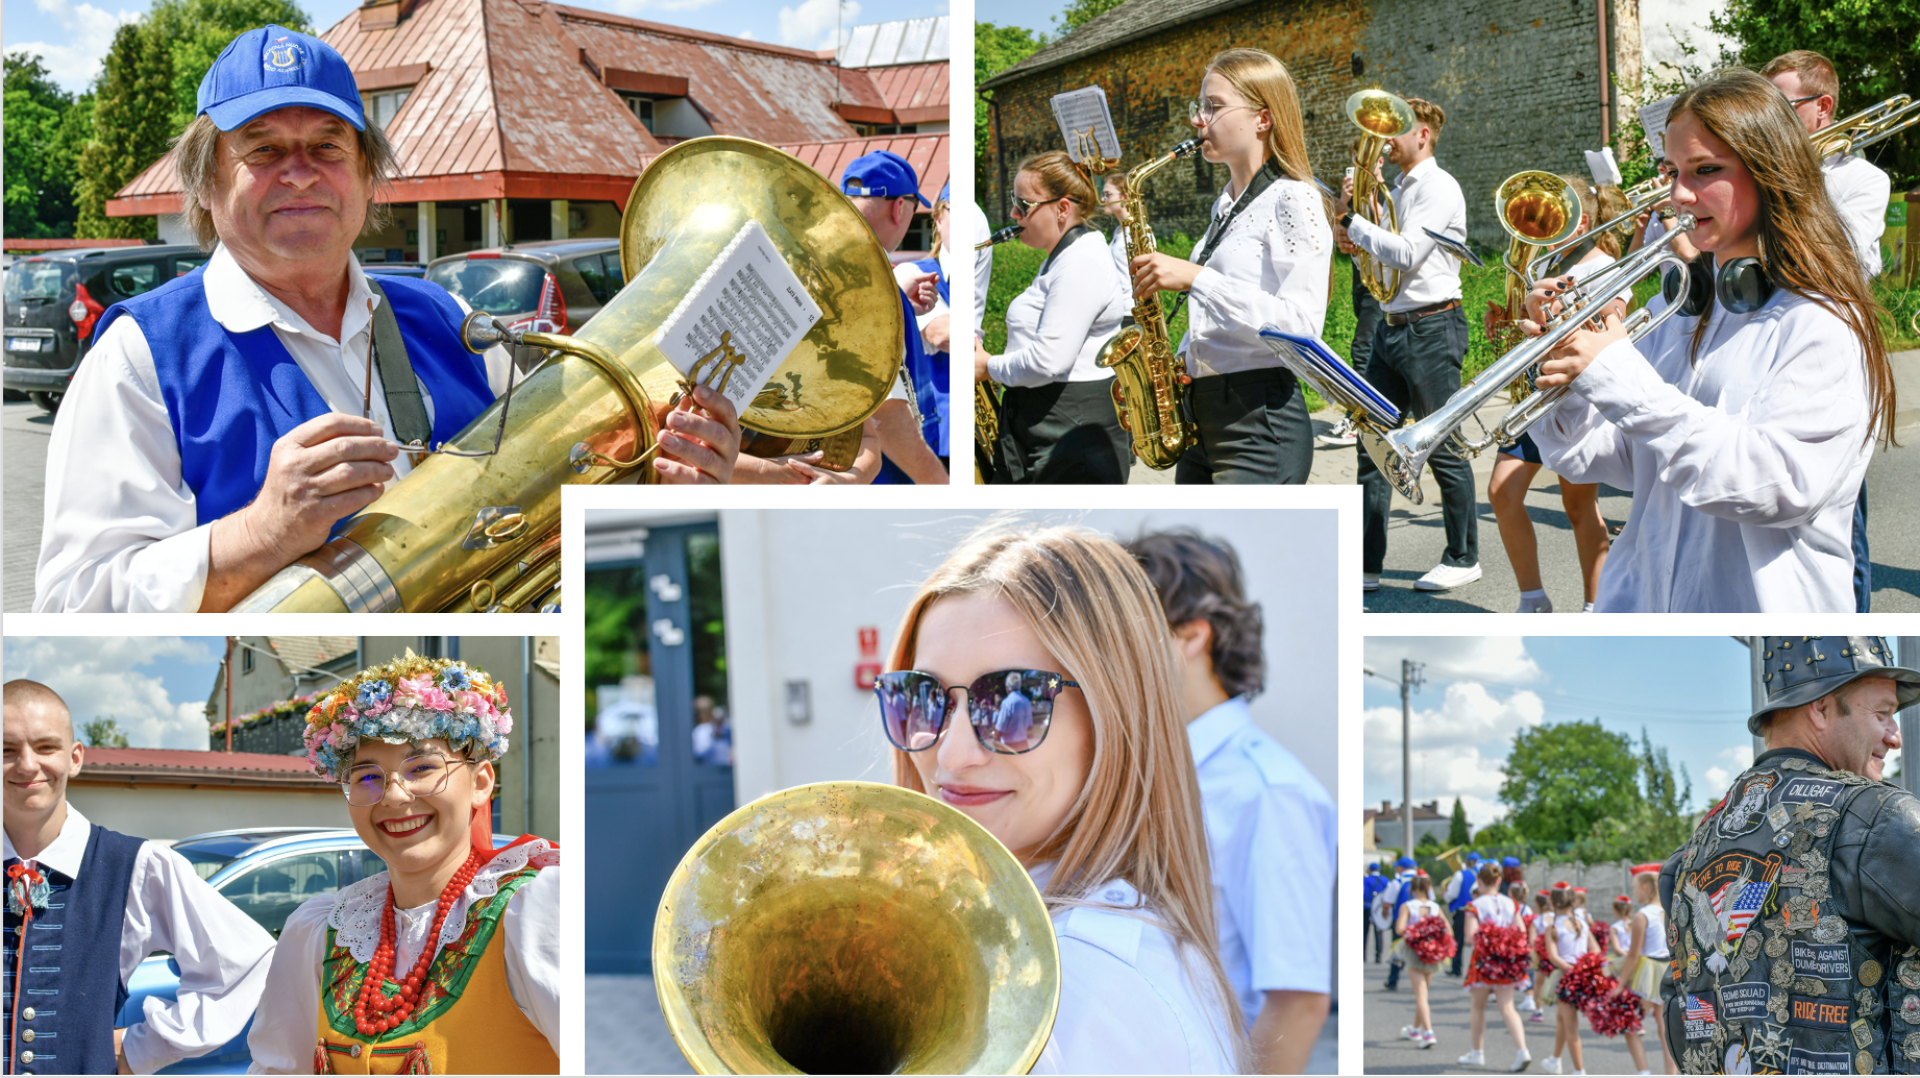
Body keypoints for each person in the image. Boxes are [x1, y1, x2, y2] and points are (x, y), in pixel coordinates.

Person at [34, 26, 736, 613]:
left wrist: (660, 482)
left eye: (328, 146)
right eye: (264, 148)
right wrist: (263, 533)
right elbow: (73, 604)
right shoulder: (139, 355)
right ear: (205, 180)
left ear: (368, 178)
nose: (300, 172)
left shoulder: (444, 314)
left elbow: (561, 503)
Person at [875, 523, 1243, 1072]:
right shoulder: (1059, 952)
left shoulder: (1076, 983)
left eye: (1014, 702)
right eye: (921, 697)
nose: (952, 754)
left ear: (1115, 715)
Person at [1525, 70, 1894, 612]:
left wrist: (1623, 381)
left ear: (1771, 173)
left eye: (1705, 170)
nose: (1678, 194)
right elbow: (1613, 460)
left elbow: (1776, 487)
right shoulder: (1677, 307)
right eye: (1673, 171)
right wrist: (1565, 372)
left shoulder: (1823, 319)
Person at [246, 653, 559, 1073]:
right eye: (367, 777)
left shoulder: (530, 915)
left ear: (481, 783)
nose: (393, 796)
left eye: (422, 767)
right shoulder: (320, 933)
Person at [1658, 635, 1920, 1075]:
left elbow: (1679, 1012)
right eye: (1882, 714)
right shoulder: (1876, 817)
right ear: (1820, 709)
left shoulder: (1688, 854)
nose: (1894, 737)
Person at [1125, 527, 1335, 1072]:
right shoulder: (1144, 768)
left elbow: (1297, 1003)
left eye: (1122, 632)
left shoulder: (1269, 793)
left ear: (1191, 637)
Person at [3, 680, 275, 1074]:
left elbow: (246, 960)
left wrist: (141, 1049)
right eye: (7, 750)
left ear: (75, 758)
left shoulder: (134, 865)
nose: (27, 765)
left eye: (46, 747)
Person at [1126, 49, 1333, 484]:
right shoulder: (1225, 205)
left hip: (1259, 421)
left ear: (1263, 118)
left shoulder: (1293, 198)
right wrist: (1173, 367)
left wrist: (1198, 278)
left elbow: (1302, 328)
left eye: (1213, 106)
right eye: (1199, 106)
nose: (1197, 120)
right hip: (1203, 414)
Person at [1762, 49, 1889, 614]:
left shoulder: (1863, 179)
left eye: (1781, 106)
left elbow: (1848, 264)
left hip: (1827, 363)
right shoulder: (1759, 174)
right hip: (1762, 351)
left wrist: (1793, 182)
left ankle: (1852, 633)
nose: (1769, 120)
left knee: (1839, 525)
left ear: (1823, 107)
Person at [1335, 94, 1479, 593]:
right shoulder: (1396, 189)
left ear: (1423, 135)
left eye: (1396, 129)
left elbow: (1406, 254)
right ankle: (1365, 565)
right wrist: (1355, 235)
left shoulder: (1440, 186)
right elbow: (1377, 266)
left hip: (1433, 327)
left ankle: (1463, 557)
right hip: (1392, 326)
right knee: (1373, 445)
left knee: (1441, 446)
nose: (1385, 140)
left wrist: (1351, 220)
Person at [1488, 177, 1625, 614]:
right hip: (1537, 398)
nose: (1539, 230)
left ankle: (1595, 608)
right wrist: (1510, 322)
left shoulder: (1604, 266)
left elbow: (1613, 327)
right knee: (1501, 492)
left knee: (1579, 507)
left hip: (1577, 405)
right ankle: (1533, 600)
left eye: (1550, 220)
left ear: (1579, 223)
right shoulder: (1547, 264)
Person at [974, 153, 1133, 484]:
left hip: (1068, 433)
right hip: (1048, 421)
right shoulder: (1063, 257)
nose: (1013, 214)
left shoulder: (1080, 262)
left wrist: (987, 366)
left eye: (1023, 205)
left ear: (1062, 209)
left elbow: (1049, 361)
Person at [843, 149, 947, 485]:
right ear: (900, 207)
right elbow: (887, 418)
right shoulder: (867, 285)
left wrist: (900, 302)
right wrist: (942, 486)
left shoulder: (843, 269)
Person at [1459, 863, 1531, 1072]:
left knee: (1478, 1007)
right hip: (1506, 962)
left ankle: (1477, 1053)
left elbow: (1470, 937)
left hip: (1483, 962)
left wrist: (1490, 938)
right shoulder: (1510, 903)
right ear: (1499, 881)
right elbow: (1521, 932)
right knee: (1507, 1007)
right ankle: (1522, 1051)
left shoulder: (1474, 905)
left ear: (1479, 882)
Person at [1609, 869, 1674, 1075]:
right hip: (1668, 972)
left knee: (1629, 1024)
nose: (1634, 892)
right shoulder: (1669, 910)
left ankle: (1644, 1072)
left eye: (1635, 887)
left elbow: (1633, 956)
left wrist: (1620, 985)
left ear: (1645, 888)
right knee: (1666, 1030)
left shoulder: (1642, 915)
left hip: (1648, 975)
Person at [1542, 886, 1596, 1075]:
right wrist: (1583, 969)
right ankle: (1555, 1060)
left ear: (1552, 904)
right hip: (1582, 975)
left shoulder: (1553, 927)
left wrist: (1572, 971)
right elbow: (1596, 950)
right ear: (1573, 902)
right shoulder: (1582, 923)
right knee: (1561, 1020)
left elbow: (1553, 957)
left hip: (1566, 977)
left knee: (1571, 1027)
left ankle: (1579, 1071)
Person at [1394, 873, 1450, 1049]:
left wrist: (1417, 932)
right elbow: (1448, 930)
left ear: (1412, 888)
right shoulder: (1435, 906)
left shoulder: (1407, 906)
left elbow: (1399, 929)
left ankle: (1429, 1033)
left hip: (1414, 951)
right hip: (1432, 952)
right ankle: (1415, 1030)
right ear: (1429, 888)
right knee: (1424, 993)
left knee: (1421, 995)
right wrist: (1431, 934)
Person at [1444, 852, 1483, 977]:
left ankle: (1456, 968)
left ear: (1467, 861)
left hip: (1462, 911)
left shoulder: (1460, 874)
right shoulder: (1483, 875)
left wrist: (1445, 896)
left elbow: (1452, 894)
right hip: (1479, 911)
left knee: (1458, 940)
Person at [1383, 854, 1419, 990]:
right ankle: (1420, 983)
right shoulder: (1423, 881)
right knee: (1419, 952)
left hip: (1400, 922)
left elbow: (1387, 902)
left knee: (1397, 950)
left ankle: (1393, 981)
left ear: (1401, 868)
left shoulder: (1397, 881)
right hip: (1419, 922)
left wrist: (1384, 915)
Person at [1101, 175, 1135, 278]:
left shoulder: (1137, 231)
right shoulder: (1118, 230)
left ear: (1124, 197)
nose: (1102, 199)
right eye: (1103, 195)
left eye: (1108, 194)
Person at [1364, 863, 1389, 962]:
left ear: (1369, 870)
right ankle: (1378, 956)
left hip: (1366, 907)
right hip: (1379, 909)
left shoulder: (1365, 879)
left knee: (1364, 932)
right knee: (1378, 932)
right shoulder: (1385, 880)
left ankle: (1363, 955)